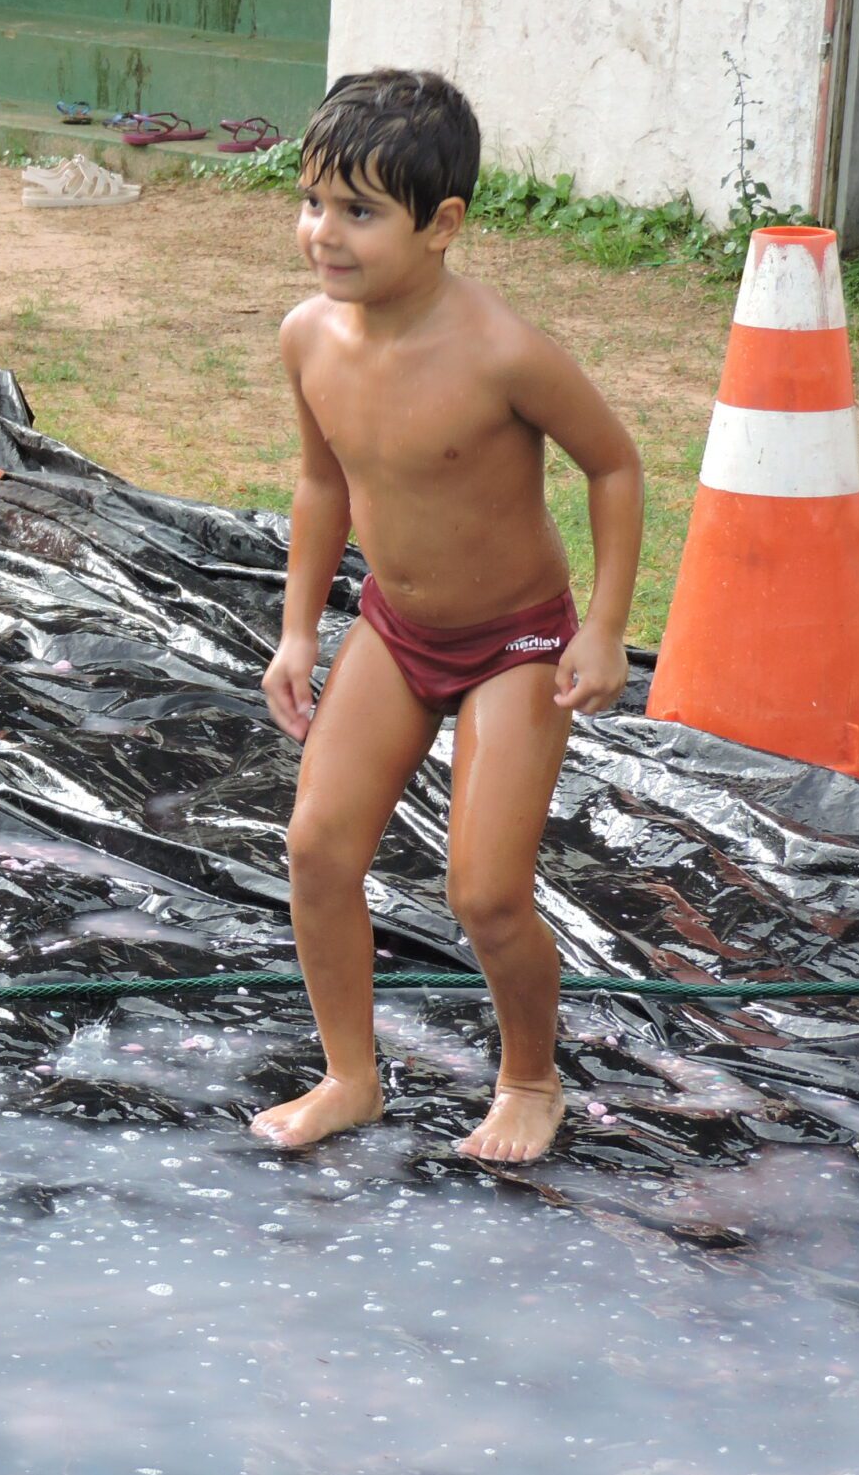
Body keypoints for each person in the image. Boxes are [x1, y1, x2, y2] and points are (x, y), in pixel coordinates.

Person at [252, 69, 643, 1164]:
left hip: (515, 643)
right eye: (313, 201)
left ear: (442, 225)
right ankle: (348, 1076)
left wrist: (603, 628)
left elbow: (612, 467)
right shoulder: (307, 339)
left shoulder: (502, 354)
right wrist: (296, 633)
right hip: (393, 626)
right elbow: (322, 486)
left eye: (359, 212)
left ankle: (529, 1079)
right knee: (318, 849)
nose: (323, 233)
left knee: (483, 891)